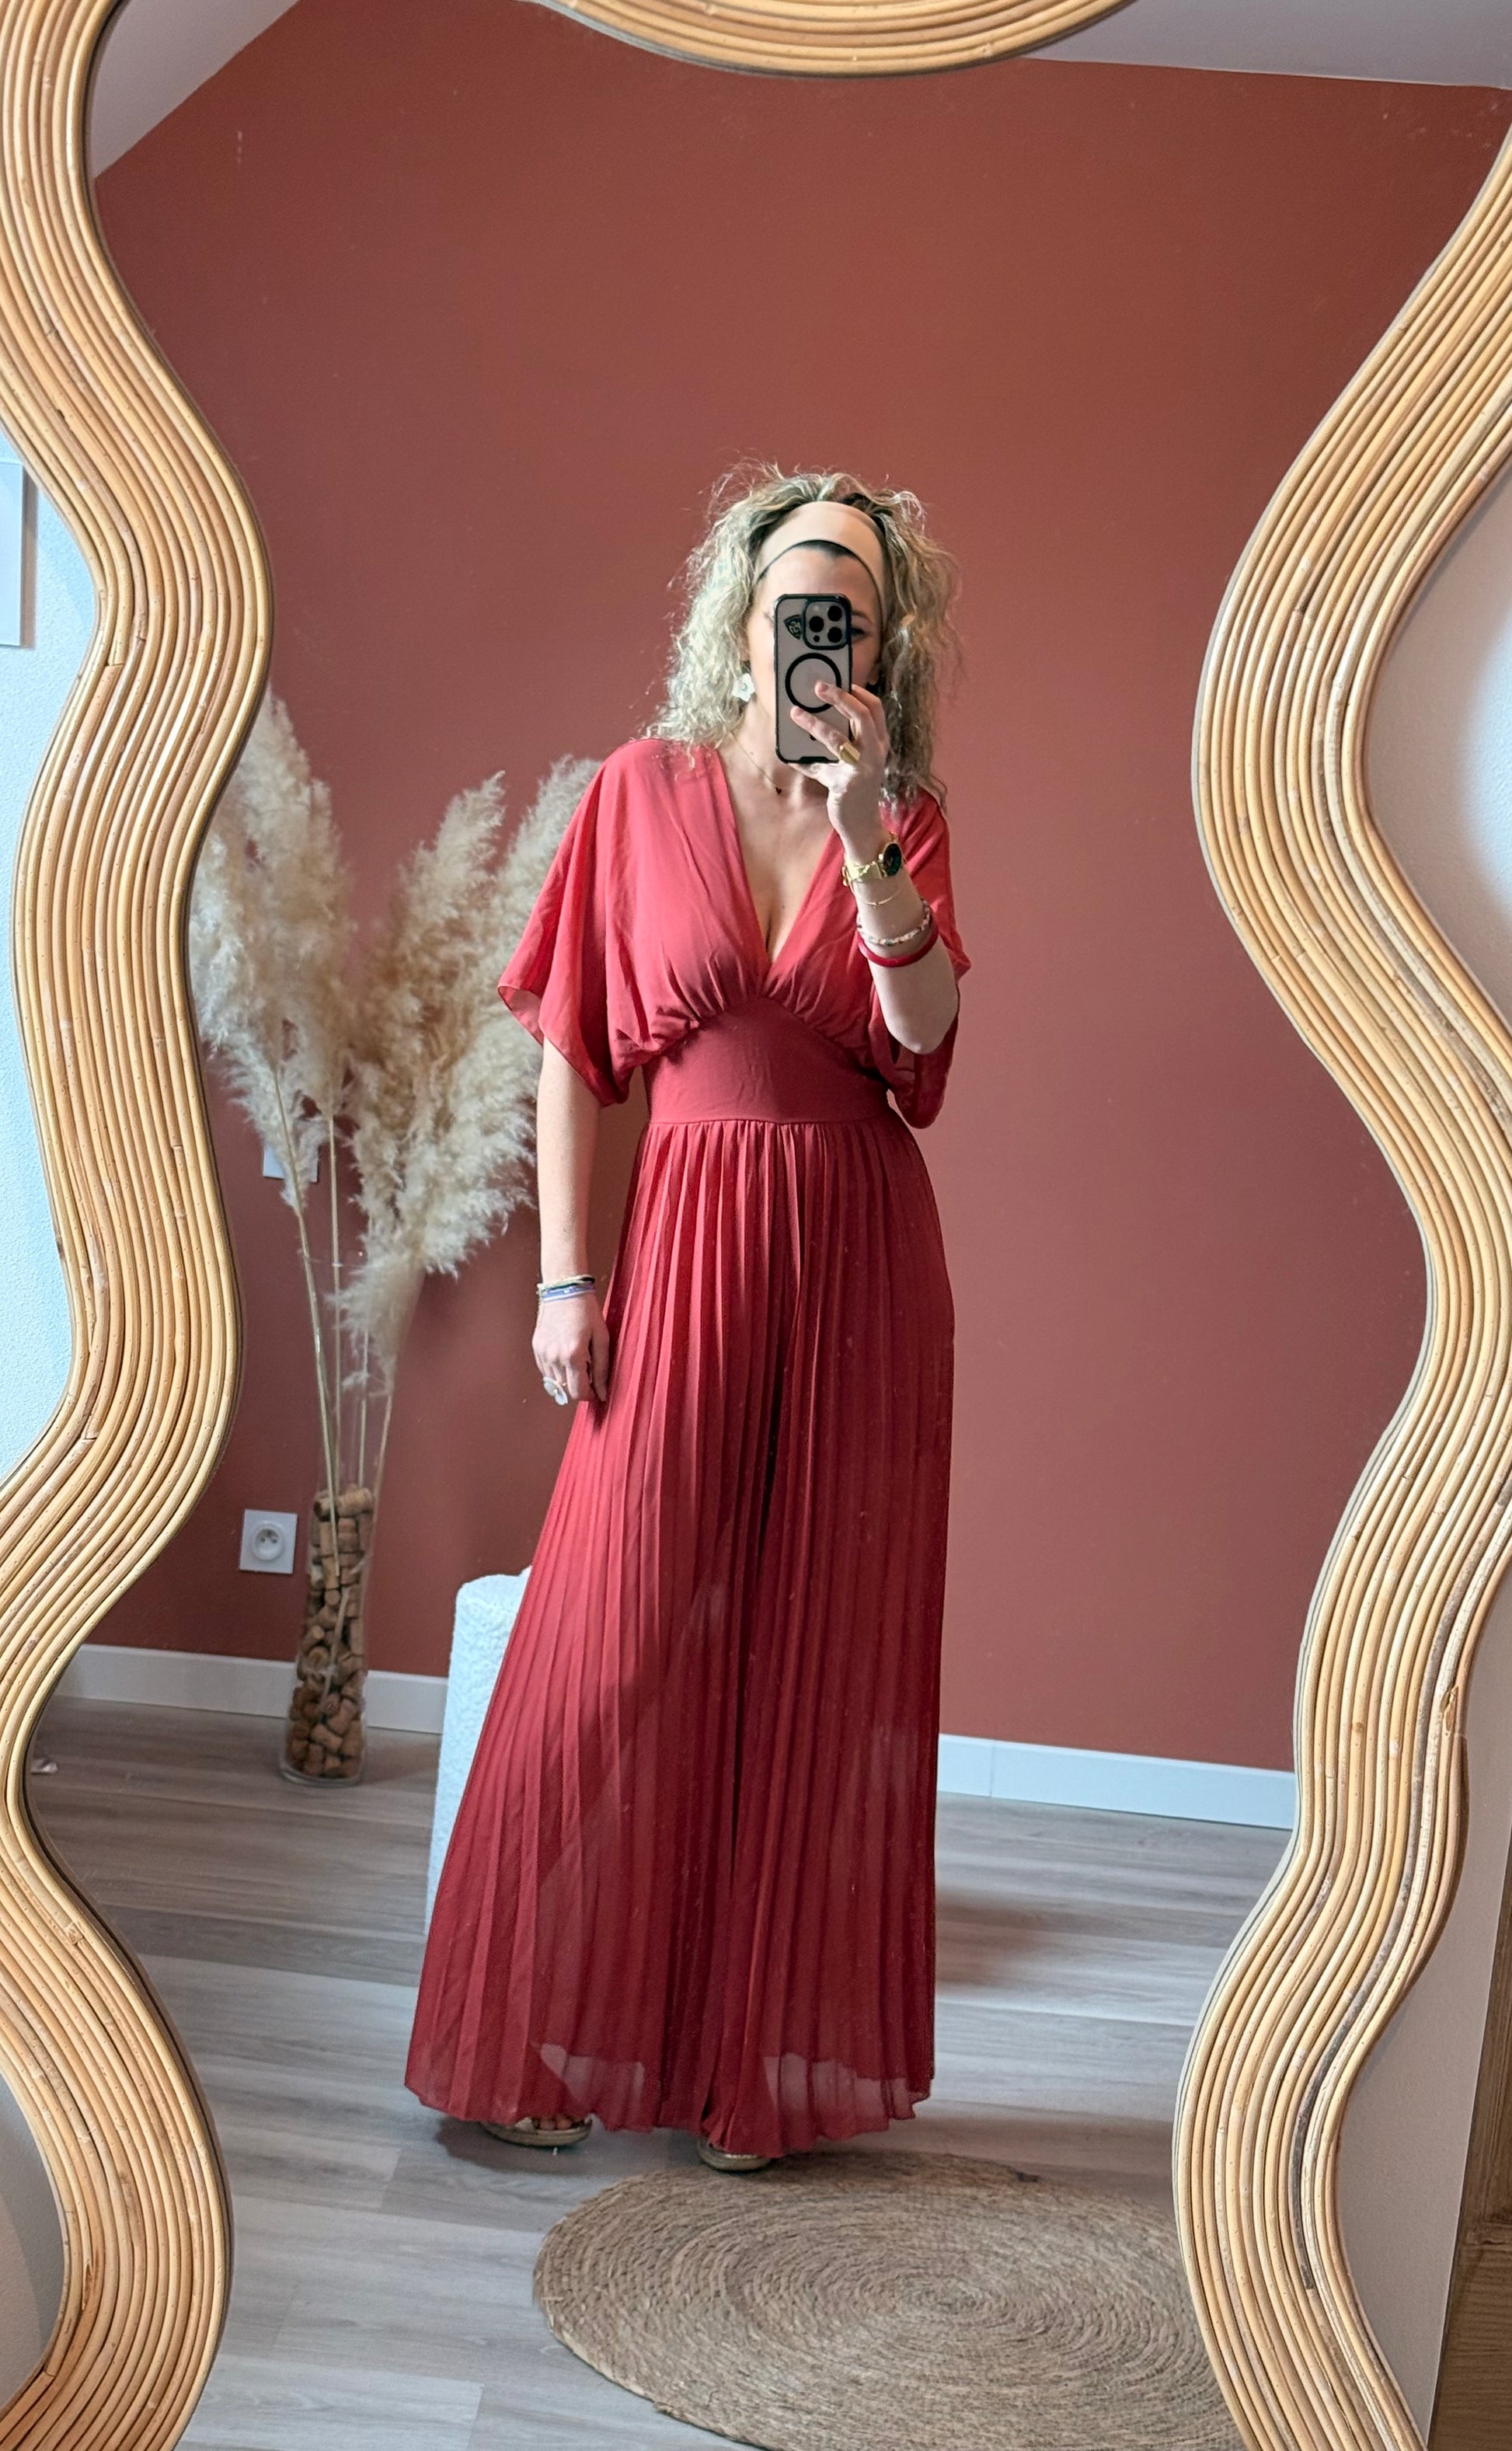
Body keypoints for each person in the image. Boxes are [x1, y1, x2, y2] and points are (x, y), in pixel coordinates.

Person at [405, 468, 970, 2174]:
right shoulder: (637, 794)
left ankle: (759, 2076)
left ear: (880, 643)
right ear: (740, 618)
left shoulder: (902, 816)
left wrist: (865, 833)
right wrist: (566, 1279)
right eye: (799, 596)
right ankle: (518, 2036)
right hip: (688, 1243)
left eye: (851, 608)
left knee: (815, 1657)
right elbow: (576, 1051)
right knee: (613, 1630)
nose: (820, 627)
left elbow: (924, 1048)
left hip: (861, 1262)